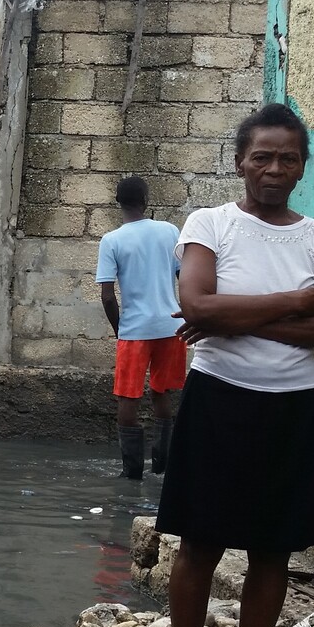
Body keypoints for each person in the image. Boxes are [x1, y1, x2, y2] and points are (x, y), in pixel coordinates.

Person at [156, 104, 314, 627]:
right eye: (261, 156)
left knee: (273, 549)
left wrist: (230, 317)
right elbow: (196, 301)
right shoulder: (211, 224)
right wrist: (295, 301)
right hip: (220, 396)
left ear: (301, 167)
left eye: (287, 158)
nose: (273, 168)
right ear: (240, 161)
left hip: (292, 405)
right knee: (201, 541)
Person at [95, 175, 184, 479]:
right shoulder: (170, 231)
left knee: (128, 397)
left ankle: (131, 473)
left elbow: (107, 296)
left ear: (117, 203)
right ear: (146, 201)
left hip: (134, 330)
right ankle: (162, 468)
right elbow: (184, 276)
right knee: (162, 394)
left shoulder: (112, 240)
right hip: (172, 326)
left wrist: (121, 329)